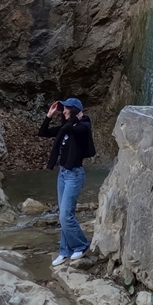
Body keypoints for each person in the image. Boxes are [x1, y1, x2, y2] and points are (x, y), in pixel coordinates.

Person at [39, 97, 96, 266]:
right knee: (63, 215)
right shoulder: (67, 127)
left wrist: (74, 120)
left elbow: (74, 130)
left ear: (75, 110)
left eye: (66, 108)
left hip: (74, 175)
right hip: (62, 175)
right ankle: (65, 251)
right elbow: (43, 132)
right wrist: (49, 116)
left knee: (65, 215)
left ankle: (81, 245)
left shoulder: (83, 127)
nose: (63, 111)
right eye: (63, 108)